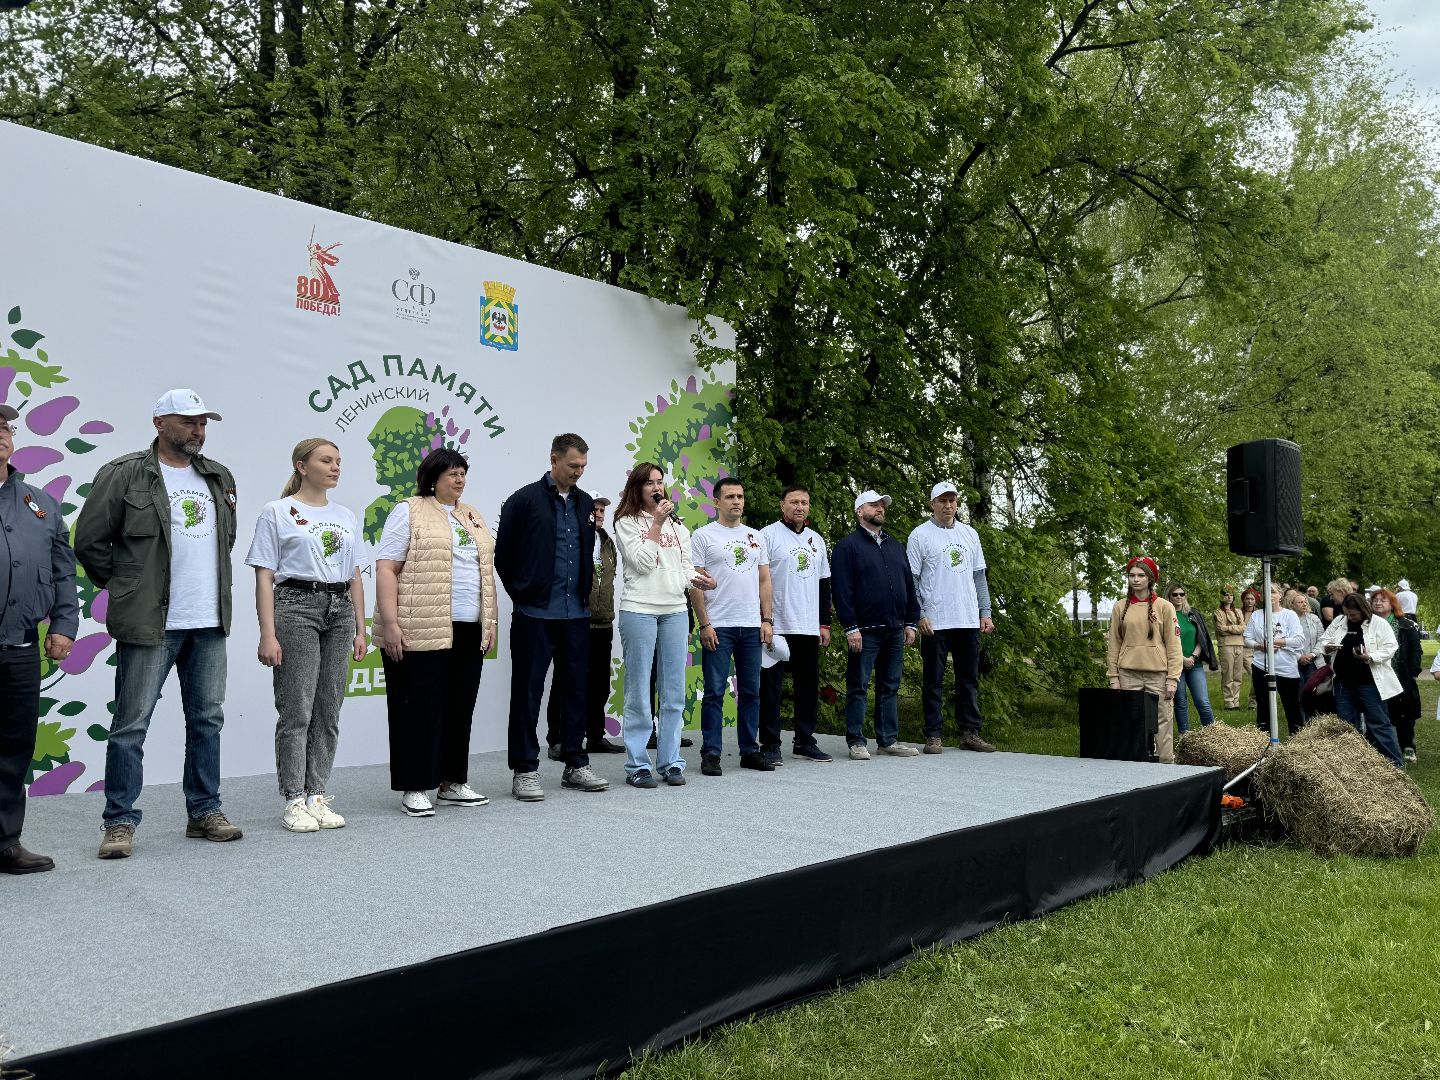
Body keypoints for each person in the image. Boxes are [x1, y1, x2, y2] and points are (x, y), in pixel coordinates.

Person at [75, 389, 242, 859]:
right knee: (131, 724)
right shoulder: (124, 473)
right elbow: (89, 541)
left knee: (207, 721)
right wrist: (128, 587)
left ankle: (205, 811)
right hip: (150, 621)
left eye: (203, 422)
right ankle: (120, 822)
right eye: (188, 421)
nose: (198, 430)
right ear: (159, 423)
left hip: (208, 621)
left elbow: (223, 544)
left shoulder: (218, 476)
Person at [246, 439, 368, 832]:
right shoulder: (278, 512)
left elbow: (355, 576)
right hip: (297, 605)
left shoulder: (346, 515)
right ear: (302, 465)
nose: (335, 467)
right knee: (297, 708)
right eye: (325, 460)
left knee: (329, 707)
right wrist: (268, 633)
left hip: (340, 608)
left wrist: (361, 628)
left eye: (338, 461)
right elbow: (264, 575)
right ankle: (293, 799)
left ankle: (317, 793)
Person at [374, 447, 497, 816]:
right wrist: (391, 623)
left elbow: (485, 574)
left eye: (463, 473)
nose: (459, 480)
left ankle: (452, 782)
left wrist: (488, 623)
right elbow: (386, 568)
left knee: (460, 706)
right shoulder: (409, 510)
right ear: (433, 478)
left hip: (468, 624)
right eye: (452, 474)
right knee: (417, 708)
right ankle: (415, 786)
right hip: (419, 625)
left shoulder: (472, 515)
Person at [495, 434, 608, 800]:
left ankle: (576, 763)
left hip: (576, 614)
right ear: (554, 460)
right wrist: (524, 593)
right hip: (534, 614)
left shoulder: (586, 503)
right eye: (573, 465)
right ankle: (525, 771)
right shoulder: (523, 500)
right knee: (527, 692)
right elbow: (503, 556)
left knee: (575, 691)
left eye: (583, 467)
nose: (578, 472)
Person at [0, 406, 78, 874]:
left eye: (4, 428)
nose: (0, 435)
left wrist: (65, 624)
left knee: (12, 747)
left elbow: (62, 569)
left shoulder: (40, 503)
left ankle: (6, 842)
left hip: (21, 647)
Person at [611, 464, 714, 787]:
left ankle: (670, 761)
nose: (657, 487)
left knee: (673, 692)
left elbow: (683, 570)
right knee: (639, 691)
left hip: (674, 611)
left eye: (660, 482)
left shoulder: (678, 526)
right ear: (637, 488)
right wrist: (656, 522)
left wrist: (700, 580)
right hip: (639, 609)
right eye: (650, 483)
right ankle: (638, 765)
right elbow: (642, 564)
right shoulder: (625, 522)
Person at [690, 477, 774, 775]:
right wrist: (704, 624)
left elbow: (764, 580)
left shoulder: (756, 536)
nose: (736, 502)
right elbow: (696, 583)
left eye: (740, 496)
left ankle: (749, 750)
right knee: (714, 692)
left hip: (751, 626)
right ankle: (711, 753)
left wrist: (766, 619)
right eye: (729, 497)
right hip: (719, 626)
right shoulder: (702, 536)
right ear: (716, 502)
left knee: (751, 692)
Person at [907, 481, 996, 754]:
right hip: (935, 622)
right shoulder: (920, 535)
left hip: (967, 619)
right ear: (932, 504)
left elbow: (979, 577)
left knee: (968, 678)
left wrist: (986, 612)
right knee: (933, 680)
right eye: (942, 501)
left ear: (957, 504)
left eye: (952, 501)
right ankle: (933, 735)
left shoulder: (969, 535)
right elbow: (911, 579)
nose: (948, 506)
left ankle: (970, 732)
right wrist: (919, 614)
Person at [831, 490, 921, 759]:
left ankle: (887, 740)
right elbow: (842, 590)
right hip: (864, 630)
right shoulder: (848, 546)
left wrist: (911, 621)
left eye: (883, 505)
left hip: (895, 627)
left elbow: (908, 585)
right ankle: (857, 741)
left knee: (890, 685)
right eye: (874, 505)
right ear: (860, 511)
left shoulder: (895, 545)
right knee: (858, 684)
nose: (881, 508)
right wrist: (850, 626)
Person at [546, 490, 624, 759]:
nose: (599, 514)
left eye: (602, 510)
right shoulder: (573, 538)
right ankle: (557, 738)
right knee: (566, 681)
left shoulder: (607, 541)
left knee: (600, 683)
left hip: (603, 622)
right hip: (575, 621)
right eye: (594, 509)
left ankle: (595, 735)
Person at [759, 485, 834, 764]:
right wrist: (763, 620)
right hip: (777, 626)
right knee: (771, 687)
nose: (799, 507)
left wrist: (824, 623)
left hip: (808, 625)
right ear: (782, 505)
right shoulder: (767, 535)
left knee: (808, 685)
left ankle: (804, 740)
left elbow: (825, 584)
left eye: (804, 502)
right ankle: (769, 743)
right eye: (794, 502)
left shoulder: (817, 540)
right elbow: (759, 580)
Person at [1104, 556, 1181, 763]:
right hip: (1128, 673)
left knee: (1163, 720)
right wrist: (1114, 677)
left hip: (1158, 674)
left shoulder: (1164, 606)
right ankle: (1133, 765)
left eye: (1141, 575)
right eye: (1132, 575)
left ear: (1150, 578)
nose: (1136, 579)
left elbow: (1174, 644)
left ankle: (1165, 765)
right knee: (1129, 720)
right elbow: (1114, 644)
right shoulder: (1120, 607)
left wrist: (1172, 678)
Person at [1320, 593, 1404, 766]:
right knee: (1347, 726)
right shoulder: (1339, 622)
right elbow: (1323, 641)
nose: (1349, 617)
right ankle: (1354, 766)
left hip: (1370, 683)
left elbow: (1391, 647)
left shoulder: (1378, 624)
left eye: (1353, 614)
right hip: (1343, 683)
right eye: (1347, 613)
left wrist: (1369, 656)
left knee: (1379, 724)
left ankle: (1394, 765)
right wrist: (1328, 647)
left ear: (1363, 610)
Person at [1245, 582, 1305, 737]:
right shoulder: (1257, 615)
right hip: (1261, 666)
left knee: (1292, 707)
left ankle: (1297, 741)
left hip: (1286, 668)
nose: (1269, 595)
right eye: (1266, 592)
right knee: (1263, 707)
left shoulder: (1289, 615)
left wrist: (1279, 642)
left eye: (1273, 592)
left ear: (1280, 595)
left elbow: (1299, 640)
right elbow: (1247, 639)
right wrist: (1260, 646)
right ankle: (1265, 741)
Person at [1372, 587, 1421, 763]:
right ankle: (1379, 748)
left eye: (1382, 600)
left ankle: (1408, 747)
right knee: (1378, 712)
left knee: (1404, 714)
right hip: (1376, 676)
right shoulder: (1367, 624)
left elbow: (1416, 650)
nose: (1377, 602)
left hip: (1401, 676)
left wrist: (1413, 672)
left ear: (1392, 604)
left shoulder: (1405, 625)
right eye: (1375, 600)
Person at [1166, 583, 1216, 735]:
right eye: (1175, 594)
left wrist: (1193, 657)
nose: (1179, 597)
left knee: (1203, 701)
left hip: (1195, 663)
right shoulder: (1166, 615)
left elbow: (1202, 638)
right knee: (1180, 702)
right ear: (1169, 596)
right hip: (1175, 665)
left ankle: (1213, 736)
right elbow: (1164, 641)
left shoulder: (1193, 614)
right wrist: (1182, 659)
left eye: (1182, 594)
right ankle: (1184, 738)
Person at [1289, 589, 1324, 722]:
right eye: (1300, 602)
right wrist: (1299, 657)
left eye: (1305, 602)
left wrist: (1312, 654)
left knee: (1312, 694)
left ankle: (1314, 724)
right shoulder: (1288, 620)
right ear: (1292, 605)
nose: (1304, 604)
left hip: (1313, 661)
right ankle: (1301, 725)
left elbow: (1322, 639)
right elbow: (1285, 641)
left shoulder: (1314, 619)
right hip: (1294, 662)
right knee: (1298, 695)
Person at [1214, 587, 1247, 710]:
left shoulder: (1238, 611)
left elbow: (1244, 628)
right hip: (1226, 645)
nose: (1229, 597)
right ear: (1221, 597)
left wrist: (1229, 628)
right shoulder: (1218, 612)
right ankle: (1229, 702)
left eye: (1231, 595)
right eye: (1226, 595)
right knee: (1228, 675)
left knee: (1238, 675)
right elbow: (1220, 630)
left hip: (1240, 644)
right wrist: (1236, 629)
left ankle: (1236, 702)